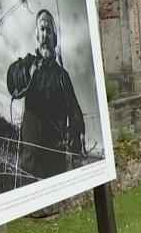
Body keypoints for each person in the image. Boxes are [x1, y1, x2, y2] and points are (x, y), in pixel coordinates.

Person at [7, 9, 85, 184]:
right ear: (37, 34)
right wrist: (27, 71)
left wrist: (74, 131)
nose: (45, 35)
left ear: (54, 38)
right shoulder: (28, 63)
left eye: (49, 31)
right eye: (42, 29)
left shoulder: (62, 76)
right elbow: (13, 79)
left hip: (55, 164)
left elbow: (75, 110)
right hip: (30, 161)